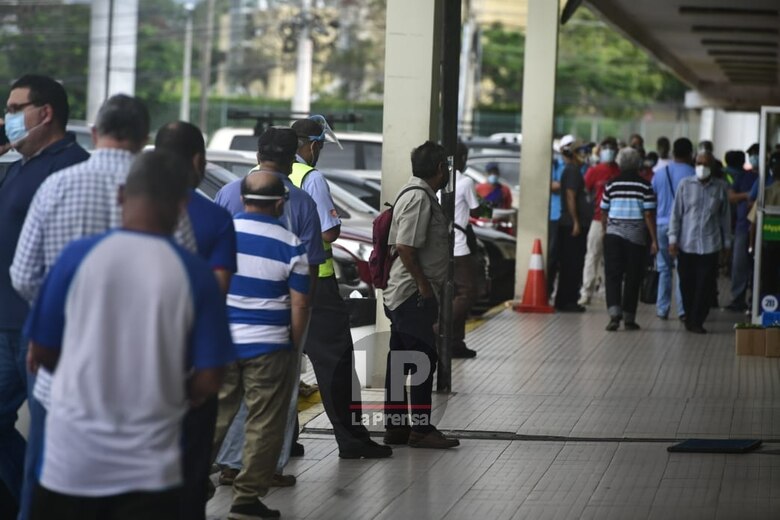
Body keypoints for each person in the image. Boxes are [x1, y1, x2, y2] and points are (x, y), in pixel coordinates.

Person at [26, 150, 234, 520]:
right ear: (181, 204)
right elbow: (210, 376)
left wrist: (84, 379)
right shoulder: (195, 274)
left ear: (121, 196)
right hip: (150, 470)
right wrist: (172, 394)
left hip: (70, 463)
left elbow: (41, 349)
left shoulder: (76, 258)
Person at [9, 94, 167, 520]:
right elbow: (183, 281)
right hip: (139, 379)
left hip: (59, 371)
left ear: (95, 134)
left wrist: (52, 318)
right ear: (143, 140)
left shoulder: (55, 186)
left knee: (44, 483)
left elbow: (23, 275)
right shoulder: (164, 199)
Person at [212, 127, 324, 479]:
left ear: (258, 156)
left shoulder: (228, 193)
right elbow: (310, 269)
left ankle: (223, 467)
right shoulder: (301, 201)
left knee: (226, 401)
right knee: (273, 403)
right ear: (293, 160)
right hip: (277, 324)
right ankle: (261, 472)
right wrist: (297, 336)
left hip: (229, 320)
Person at [0, 74, 89, 515]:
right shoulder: (19, 165)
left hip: (42, 327)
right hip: (4, 325)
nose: (8, 118)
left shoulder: (73, 168)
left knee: (51, 434)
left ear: (45, 113)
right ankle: (25, 502)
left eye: (16, 109)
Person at [210, 170, 310, 520]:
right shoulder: (291, 244)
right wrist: (291, 346)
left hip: (222, 344)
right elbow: (300, 304)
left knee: (214, 417)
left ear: (242, 199)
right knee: (264, 422)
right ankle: (246, 499)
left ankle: (189, 483)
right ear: (281, 201)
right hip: (269, 348)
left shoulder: (221, 235)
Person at [290, 116, 391, 459]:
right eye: (318, 145)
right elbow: (329, 232)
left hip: (277, 283)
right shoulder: (311, 177)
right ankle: (352, 440)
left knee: (283, 364)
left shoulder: (261, 177)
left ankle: (282, 442)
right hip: (316, 282)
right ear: (312, 145)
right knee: (336, 362)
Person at [154, 120, 237, 520]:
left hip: (132, 371)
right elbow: (215, 296)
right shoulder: (215, 219)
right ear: (198, 161)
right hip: (188, 364)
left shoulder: (128, 210)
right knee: (189, 470)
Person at [383, 141, 458, 449]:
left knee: (402, 360)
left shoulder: (419, 194)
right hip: (413, 294)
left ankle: (398, 428)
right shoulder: (419, 198)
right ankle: (420, 429)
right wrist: (425, 288)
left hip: (407, 293)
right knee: (423, 359)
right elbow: (405, 247)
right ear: (440, 169)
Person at [669, 150, 731, 334]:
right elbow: (676, 214)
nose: (701, 167)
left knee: (705, 285)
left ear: (712, 167)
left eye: (705, 164)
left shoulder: (720, 187)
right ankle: (689, 315)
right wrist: (673, 239)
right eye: (698, 163)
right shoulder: (685, 185)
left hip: (710, 245)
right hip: (686, 244)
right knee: (686, 283)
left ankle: (697, 320)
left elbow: (725, 218)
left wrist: (727, 243)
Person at [600, 148, 658, 331]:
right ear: (637, 164)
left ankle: (614, 315)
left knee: (613, 275)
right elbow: (648, 214)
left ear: (620, 163)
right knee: (633, 277)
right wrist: (654, 240)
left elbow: (604, 209)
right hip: (636, 238)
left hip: (613, 235)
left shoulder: (611, 184)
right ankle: (629, 318)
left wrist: (606, 230)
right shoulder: (645, 185)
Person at [651, 137, 694, 321]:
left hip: (661, 225)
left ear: (673, 152)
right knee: (682, 269)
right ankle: (683, 310)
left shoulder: (660, 173)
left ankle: (662, 309)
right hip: (683, 227)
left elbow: (652, 199)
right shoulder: (692, 174)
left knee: (664, 269)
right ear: (690, 154)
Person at [579, 137, 620, 305]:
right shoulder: (594, 171)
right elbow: (585, 191)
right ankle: (586, 291)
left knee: (611, 258)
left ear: (616, 151)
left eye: (612, 147)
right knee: (592, 256)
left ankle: (606, 292)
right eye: (606, 148)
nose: (609, 151)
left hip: (617, 220)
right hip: (597, 219)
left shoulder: (620, 171)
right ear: (601, 150)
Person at [448, 141, 480, 358]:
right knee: (467, 292)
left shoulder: (440, 180)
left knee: (451, 292)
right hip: (459, 245)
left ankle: (456, 343)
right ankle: (440, 329)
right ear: (462, 158)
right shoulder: (465, 181)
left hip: (442, 245)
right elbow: (477, 211)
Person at [555, 138, 590, 312]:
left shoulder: (574, 170)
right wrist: (576, 222)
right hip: (571, 225)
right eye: (582, 151)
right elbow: (570, 196)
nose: (585, 155)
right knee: (572, 264)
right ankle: (567, 300)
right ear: (574, 153)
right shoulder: (572, 172)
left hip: (572, 224)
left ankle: (567, 299)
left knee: (573, 263)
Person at [725, 150, 755, 312]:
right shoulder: (743, 176)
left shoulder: (766, 177)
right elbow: (731, 196)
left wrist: (743, 196)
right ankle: (738, 299)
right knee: (739, 264)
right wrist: (747, 195)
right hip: (743, 226)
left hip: (762, 228)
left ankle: (755, 299)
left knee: (758, 266)